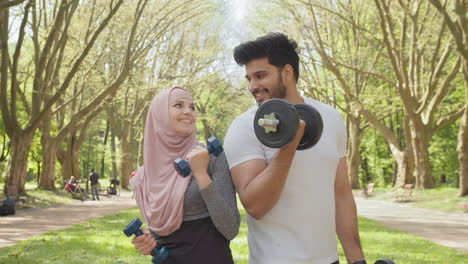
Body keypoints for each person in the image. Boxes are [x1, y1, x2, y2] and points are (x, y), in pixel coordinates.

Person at [224, 32, 366, 264]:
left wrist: (356, 259)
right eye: (248, 78)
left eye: (260, 75)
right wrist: (289, 146)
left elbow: (340, 193)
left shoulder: (330, 118)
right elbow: (255, 206)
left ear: (287, 73)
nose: (252, 86)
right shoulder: (243, 127)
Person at [129, 87, 240, 263]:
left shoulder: (211, 157)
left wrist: (201, 174)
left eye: (192, 107)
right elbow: (159, 235)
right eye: (178, 105)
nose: (188, 111)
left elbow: (230, 228)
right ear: (159, 115)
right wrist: (148, 244)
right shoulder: (143, 177)